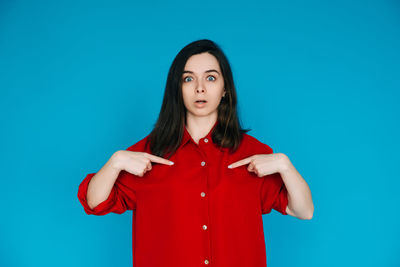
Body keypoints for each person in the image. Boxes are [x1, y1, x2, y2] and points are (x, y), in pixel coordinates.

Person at [77, 39, 314, 267]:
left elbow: (303, 211)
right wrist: (116, 161)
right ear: (177, 89)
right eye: (188, 79)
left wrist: (285, 165)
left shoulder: (253, 153)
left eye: (211, 78)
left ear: (225, 90)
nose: (200, 88)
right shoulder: (148, 153)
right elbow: (95, 202)